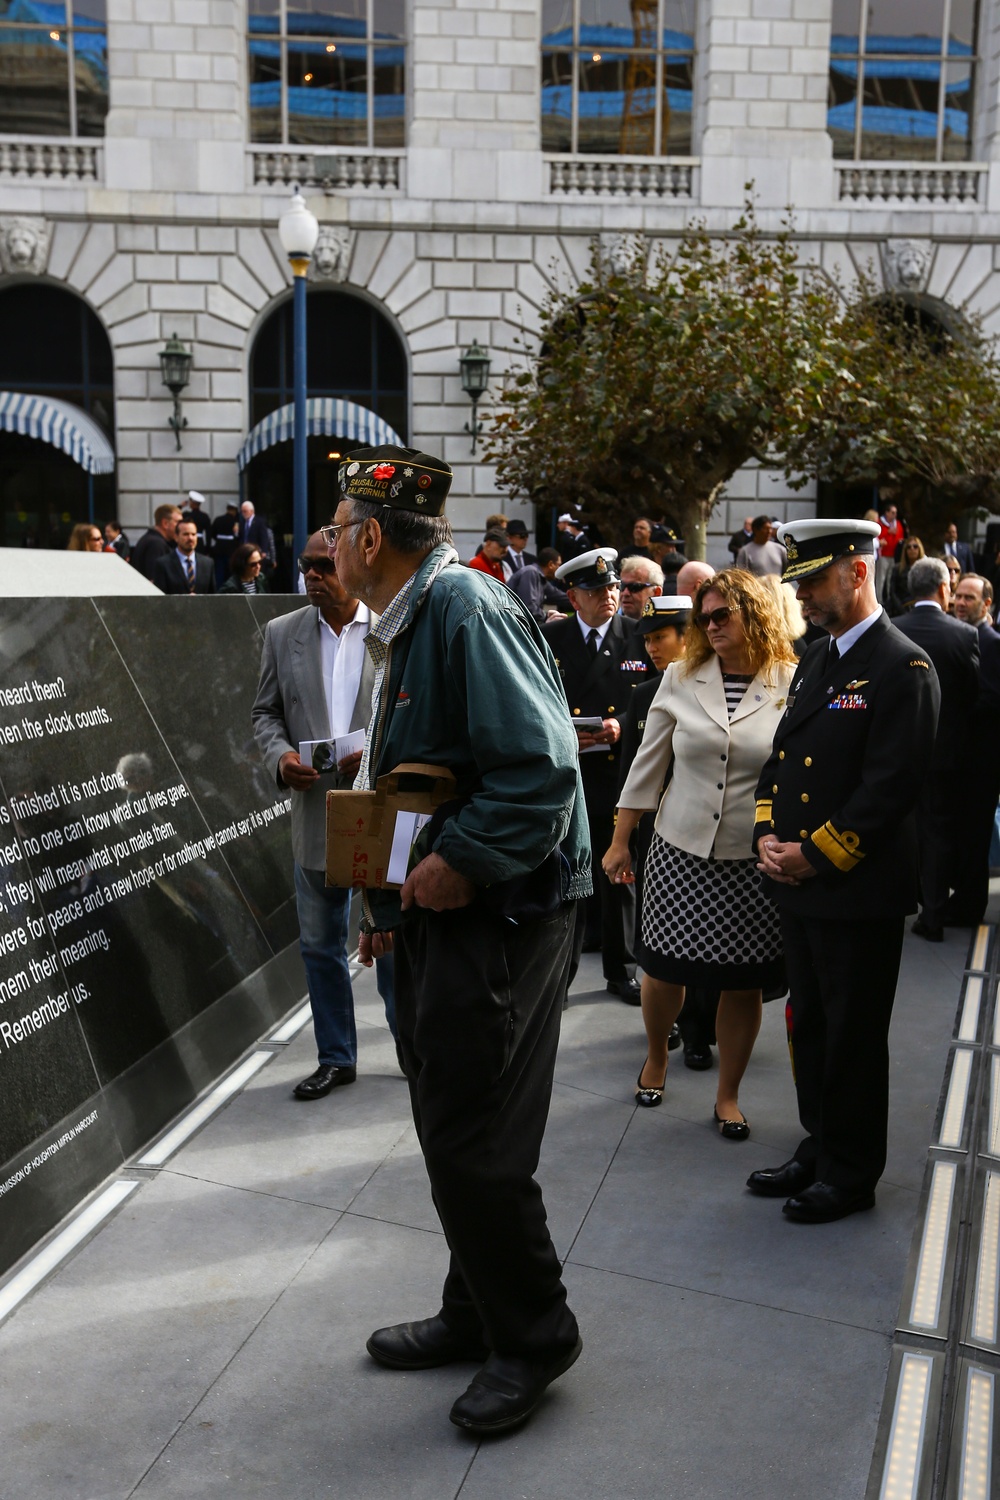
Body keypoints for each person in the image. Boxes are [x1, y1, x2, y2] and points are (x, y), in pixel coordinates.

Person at [328, 444, 590, 1436]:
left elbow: (541, 770)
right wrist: (389, 909)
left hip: (501, 914)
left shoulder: (464, 608)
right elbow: (414, 775)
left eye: (336, 531)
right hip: (443, 913)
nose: (329, 547)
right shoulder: (412, 615)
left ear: (366, 538)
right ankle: (474, 1308)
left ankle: (535, 1333)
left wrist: (456, 863)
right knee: (451, 1126)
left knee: (475, 1139)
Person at [749, 519, 940, 1223]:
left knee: (853, 1035)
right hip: (799, 886)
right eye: (796, 582)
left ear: (856, 575)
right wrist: (769, 836)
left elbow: (889, 788)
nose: (801, 596)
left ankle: (851, 1171)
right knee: (809, 1023)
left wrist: (813, 855)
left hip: (854, 891)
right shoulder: (818, 659)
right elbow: (782, 761)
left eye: (813, 582)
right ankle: (821, 1140)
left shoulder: (904, 665)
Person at [604, 572, 795, 1138]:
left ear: (753, 617)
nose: (708, 628)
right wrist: (620, 839)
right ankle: (658, 1057)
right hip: (679, 848)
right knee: (662, 972)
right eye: (703, 619)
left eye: (720, 617)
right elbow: (648, 763)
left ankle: (728, 1096)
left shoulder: (790, 679)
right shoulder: (681, 678)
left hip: (750, 857)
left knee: (743, 982)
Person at [252, 530, 396, 1099]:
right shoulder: (281, 633)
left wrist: (381, 750)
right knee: (319, 944)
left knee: (392, 937)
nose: (311, 575)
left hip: (380, 807)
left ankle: (410, 1046)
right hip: (315, 809)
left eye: (322, 565)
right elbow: (264, 713)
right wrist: (279, 756)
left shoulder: (389, 626)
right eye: (304, 566)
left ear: (351, 562)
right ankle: (337, 1056)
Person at [544, 548, 653, 1003]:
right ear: (573, 596)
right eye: (595, 590)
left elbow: (653, 700)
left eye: (612, 588)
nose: (609, 596)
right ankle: (557, 973)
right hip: (568, 770)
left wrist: (621, 726)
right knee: (564, 870)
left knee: (618, 869)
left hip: (618, 770)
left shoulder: (638, 634)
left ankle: (621, 966)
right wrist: (566, 730)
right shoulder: (554, 637)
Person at [894, 556, 980, 941]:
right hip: (946, 757)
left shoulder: (893, 631)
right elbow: (974, 695)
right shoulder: (963, 635)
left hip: (896, 755)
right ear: (945, 589)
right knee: (938, 833)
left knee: (897, 829)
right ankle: (932, 913)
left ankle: (899, 904)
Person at [948, 574, 1000, 925]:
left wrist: (951, 709)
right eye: (958, 596)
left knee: (974, 834)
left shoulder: (992, 642)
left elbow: (992, 697)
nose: (961, 602)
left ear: (987, 604)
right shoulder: (957, 636)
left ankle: (969, 907)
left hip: (981, 760)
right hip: (961, 758)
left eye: (969, 597)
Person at [152, 518, 217, 594]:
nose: (190, 538)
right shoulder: (163, 564)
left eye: (193, 534)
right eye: (186, 534)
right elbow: (160, 598)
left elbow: (212, 595)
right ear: (176, 537)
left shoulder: (208, 563)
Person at [506, 546, 570, 623]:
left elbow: (558, 596)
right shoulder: (530, 573)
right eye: (558, 565)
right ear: (550, 564)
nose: (559, 568)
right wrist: (547, 616)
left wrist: (577, 599)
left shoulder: (540, 578)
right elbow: (529, 607)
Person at [131, 504, 182, 580]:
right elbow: (155, 578)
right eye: (178, 522)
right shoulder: (156, 544)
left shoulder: (151, 539)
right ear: (165, 524)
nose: (181, 526)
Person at [618, 554, 664, 623]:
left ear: (656, 593)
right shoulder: (605, 626)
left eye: (634, 587)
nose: (625, 593)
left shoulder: (666, 629)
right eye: (622, 586)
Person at [887, 534, 925, 615]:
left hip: (920, 608)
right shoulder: (897, 569)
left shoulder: (925, 569)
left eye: (915, 546)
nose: (912, 549)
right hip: (901, 609)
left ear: (920, 549)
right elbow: (892, 592)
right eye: (909, 547)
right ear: (905, 550)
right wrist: (901, 609)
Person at [876, 501, 905, 603]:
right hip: (883, 556)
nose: (894, 515)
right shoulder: (879, 523)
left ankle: (889, 600)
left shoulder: (898, 524)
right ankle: (879, 601)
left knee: (890, 580)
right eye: (892, 512)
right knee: (881, 580)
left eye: (895, 513)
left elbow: (900, 537)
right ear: (887, 513)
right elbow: (876, 538)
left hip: (893, 556)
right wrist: (888, 532)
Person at [211, 502, 240, 586]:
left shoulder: (218, 519)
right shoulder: (235, 522)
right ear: (234, 511)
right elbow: (237, 536)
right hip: (231, 550)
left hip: (219, 548)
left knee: (219, 572)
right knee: (230, 572)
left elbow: (213, 533)